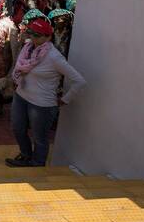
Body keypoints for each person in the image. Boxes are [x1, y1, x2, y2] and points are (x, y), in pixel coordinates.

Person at [6, 17, 86, 168]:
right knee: (17, 128)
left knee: (39, 137)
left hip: (41, 104)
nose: (33, 37)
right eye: (31, 33)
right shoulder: (28, 48)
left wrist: (65, 99)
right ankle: (25, 156)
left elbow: (79, 80)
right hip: (21, 96)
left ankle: (37, 165)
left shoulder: (54, 57)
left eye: (37, 35)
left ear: (48, 37)